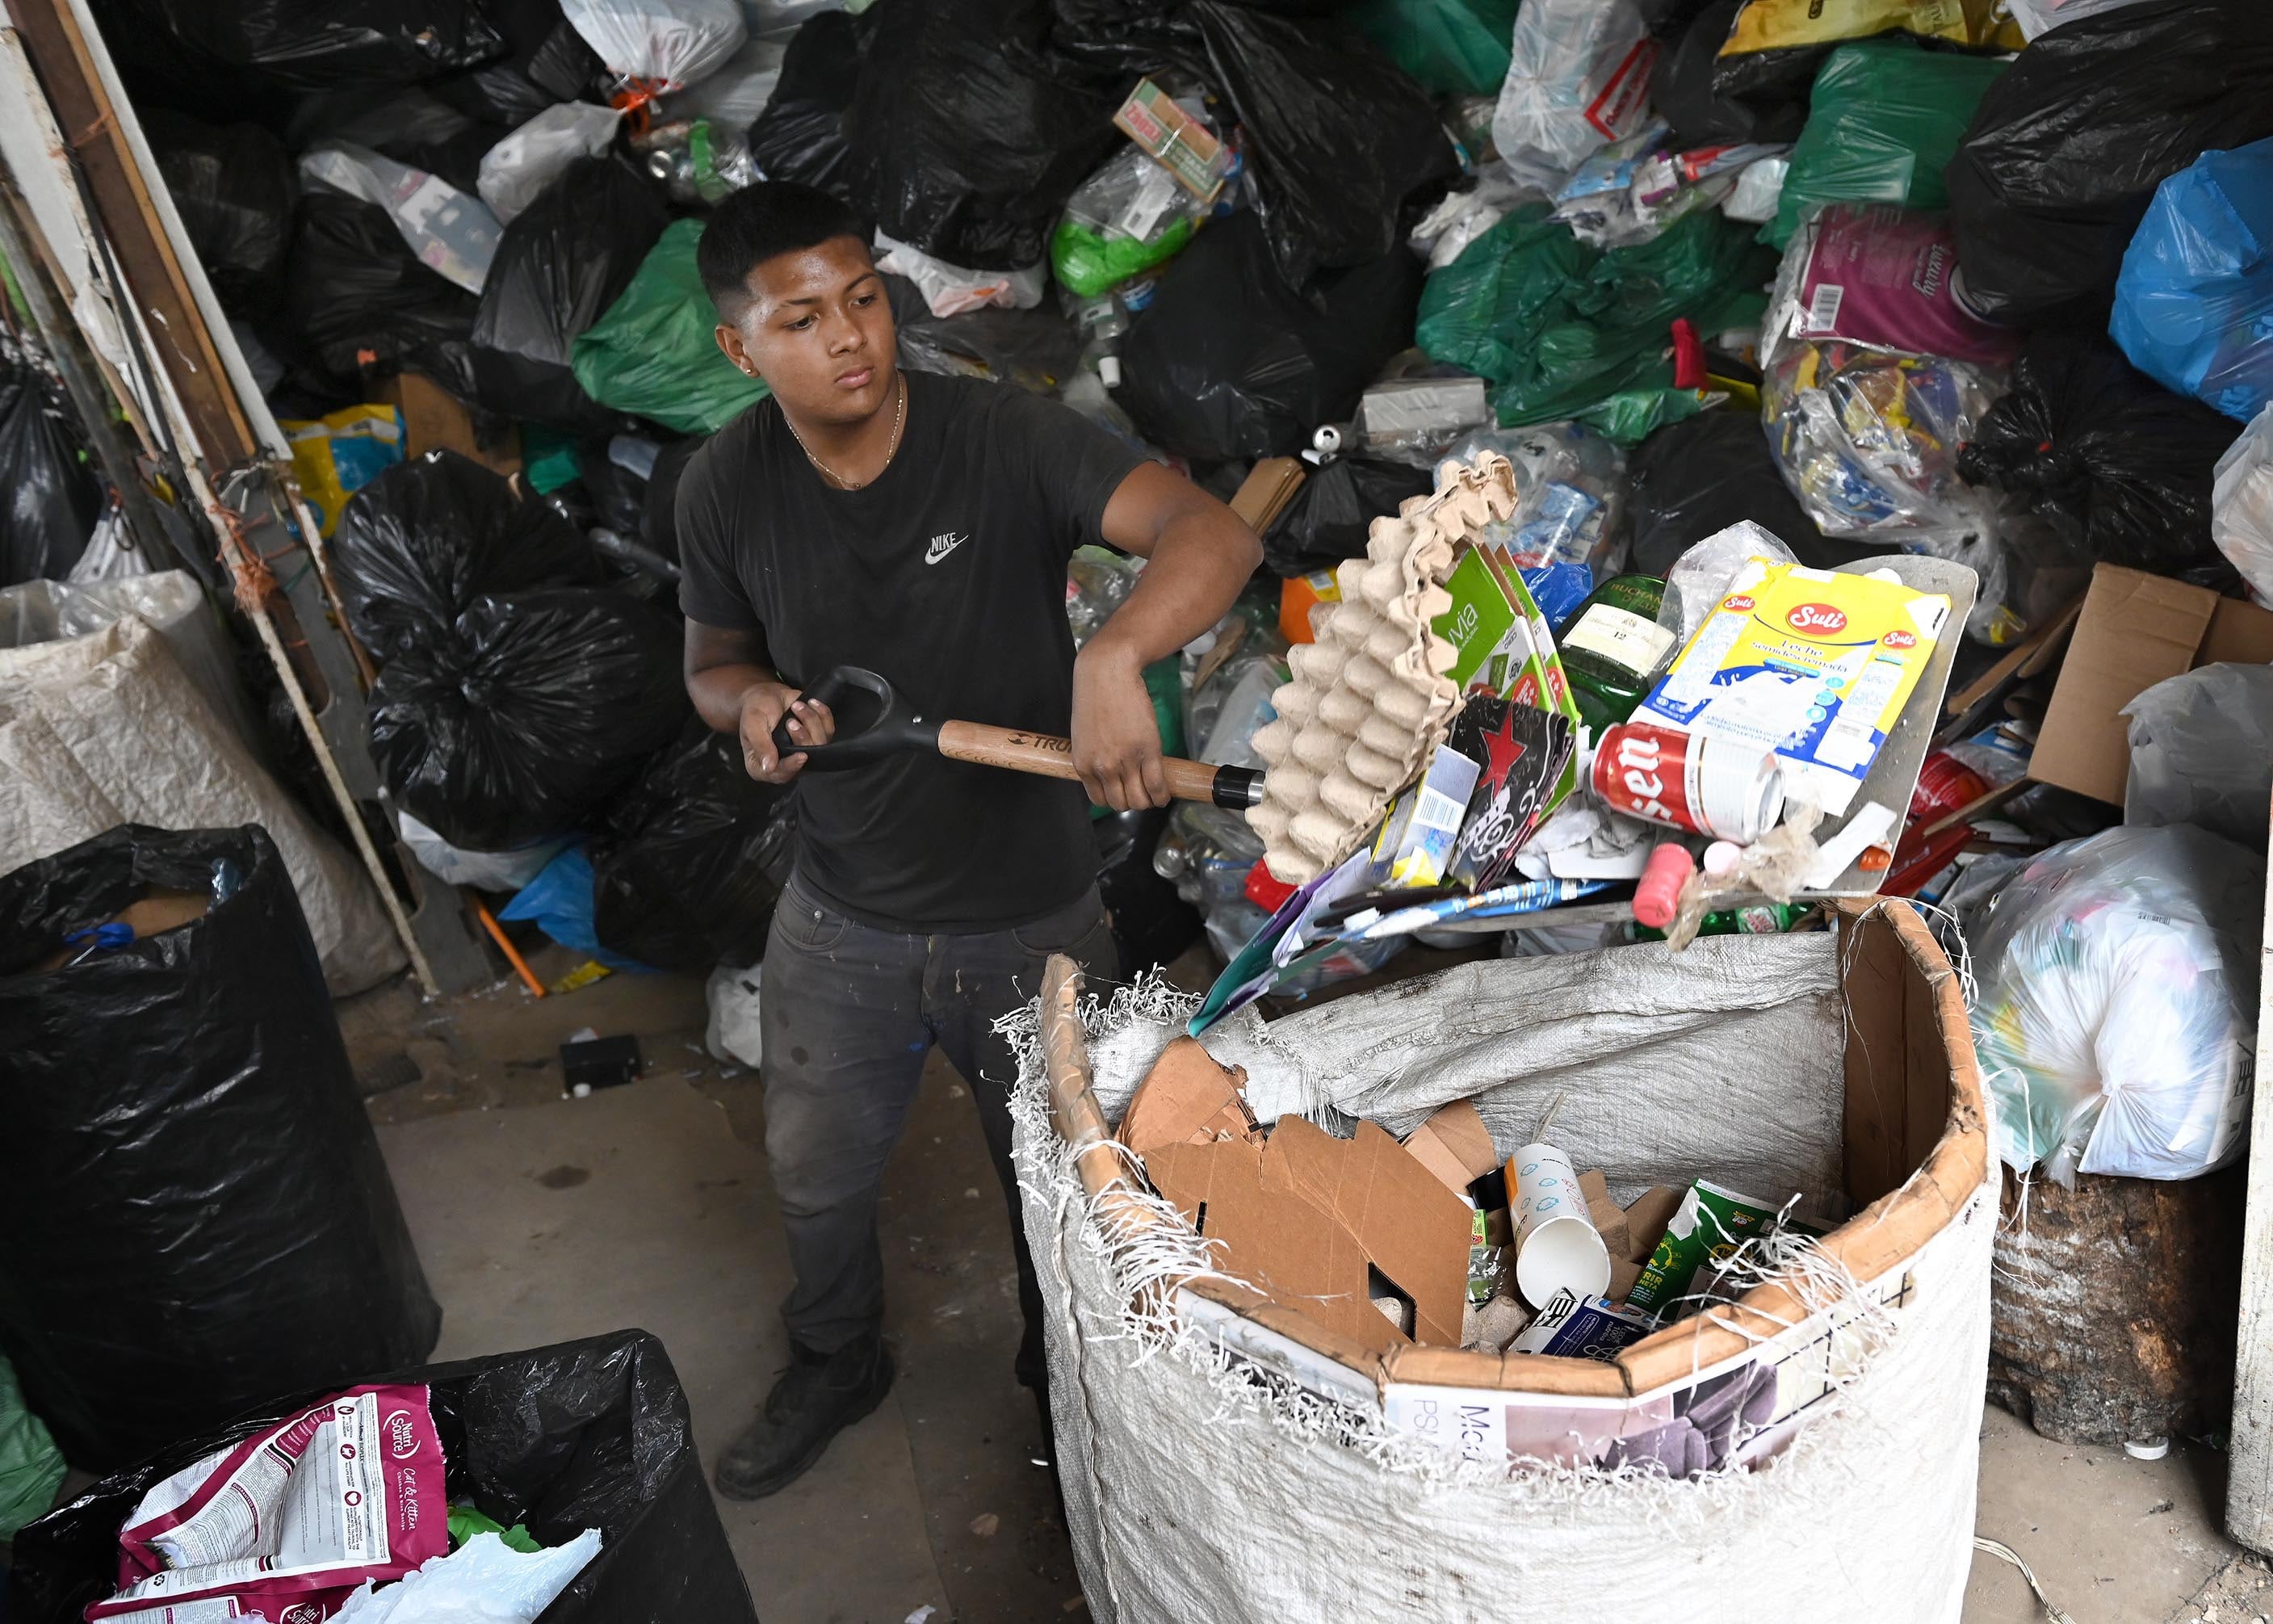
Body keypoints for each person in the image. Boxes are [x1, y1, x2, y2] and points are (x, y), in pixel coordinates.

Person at [677, 181, 1261, 1500]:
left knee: (1062, 1189)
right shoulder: (724, 485)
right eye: (805, 318)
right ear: (740, 347)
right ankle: (837, 1360)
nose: (850, 339)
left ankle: (1069, 1379)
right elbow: (714, 660)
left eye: (866, 300)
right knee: (815, 1174)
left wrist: (1116, 649)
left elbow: (1208, 532)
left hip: (1033, 913)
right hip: (840, 913)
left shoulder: (1002, 438)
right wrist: (752, 705)